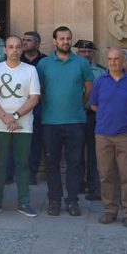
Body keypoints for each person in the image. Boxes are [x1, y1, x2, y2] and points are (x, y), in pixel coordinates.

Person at [36, 26, 94, 217]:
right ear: (54, 41)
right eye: (61, 39)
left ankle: (72, 201)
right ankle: (54, 200)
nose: (66, 42)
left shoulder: (82, 63)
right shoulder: (44, 64)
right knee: (52, 164)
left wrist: (77, 106)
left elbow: (88, 91)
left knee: (74, 164)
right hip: (50, 122)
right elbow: (40, 91)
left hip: (75, 121)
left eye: (68, 38)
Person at [0, 35, 41, 218]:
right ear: (5, 49)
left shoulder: (30, 70)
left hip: (23, 125)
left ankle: (24, 202)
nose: (14, 50)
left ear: (22, 49)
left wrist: (15, 116)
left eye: (18, 47)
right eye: (11, 47)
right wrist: (4, 117)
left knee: (23, 164)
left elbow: (34, 98)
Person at [89, 47, 127, 229]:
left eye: (116, 59)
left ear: (123, 61)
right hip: (103, 135)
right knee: (105, 175)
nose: (113, 62)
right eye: (110, 59)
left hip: (125, 135)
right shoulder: (99, 82)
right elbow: (94, 105)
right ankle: (110, 210)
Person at [74, 39, 106, 201]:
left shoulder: (101, 72)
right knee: (76, 152)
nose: (86, 54)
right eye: (82, 51)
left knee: (95, 153)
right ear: (77, 53)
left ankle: (94, 187)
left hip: (95, 117)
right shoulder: (71, 69)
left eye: (89, 52)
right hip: (76, 116)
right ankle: (77, 184)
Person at [21, 31, 46, 185]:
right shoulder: (16, 59)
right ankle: (13, 173)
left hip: (38, 106)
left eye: (29, 40)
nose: (24, 42)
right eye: (23, 39)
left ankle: (32, 173)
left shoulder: (46, 61)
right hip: (18, 106)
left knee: (35, 141)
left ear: (37, 44)